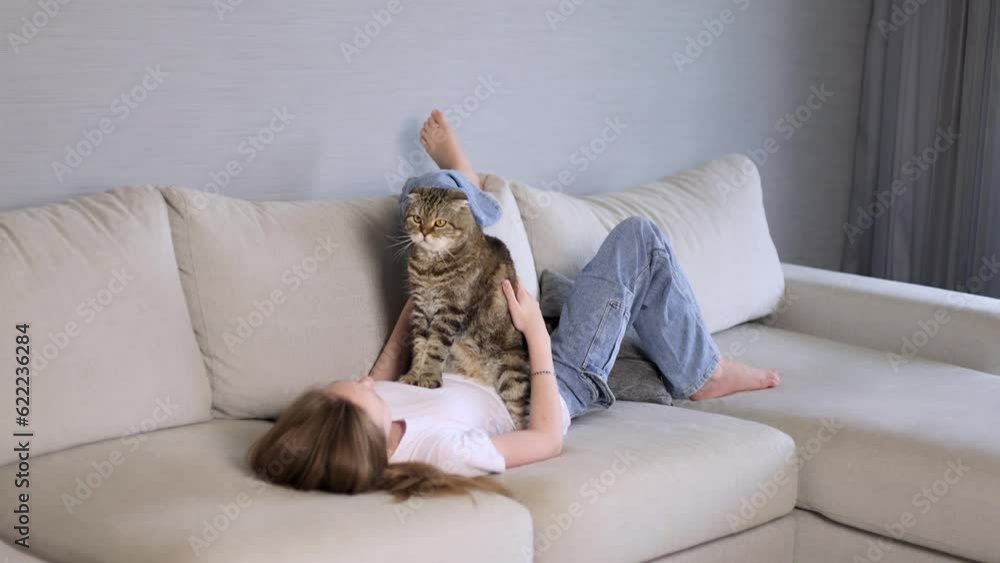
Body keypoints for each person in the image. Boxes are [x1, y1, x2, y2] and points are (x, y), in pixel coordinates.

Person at [248, 110, 781, 500]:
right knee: (638, 241)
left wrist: (417, 306)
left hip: (481, 346)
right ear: (373, 446)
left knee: (470, 256)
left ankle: (474, 197)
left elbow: (385, 372)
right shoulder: (442, 453)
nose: (365, 382)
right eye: (364, 395)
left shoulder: (374, 415)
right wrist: (538, 339)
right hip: (544, 387)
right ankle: (700, 371)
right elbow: (545, 438)